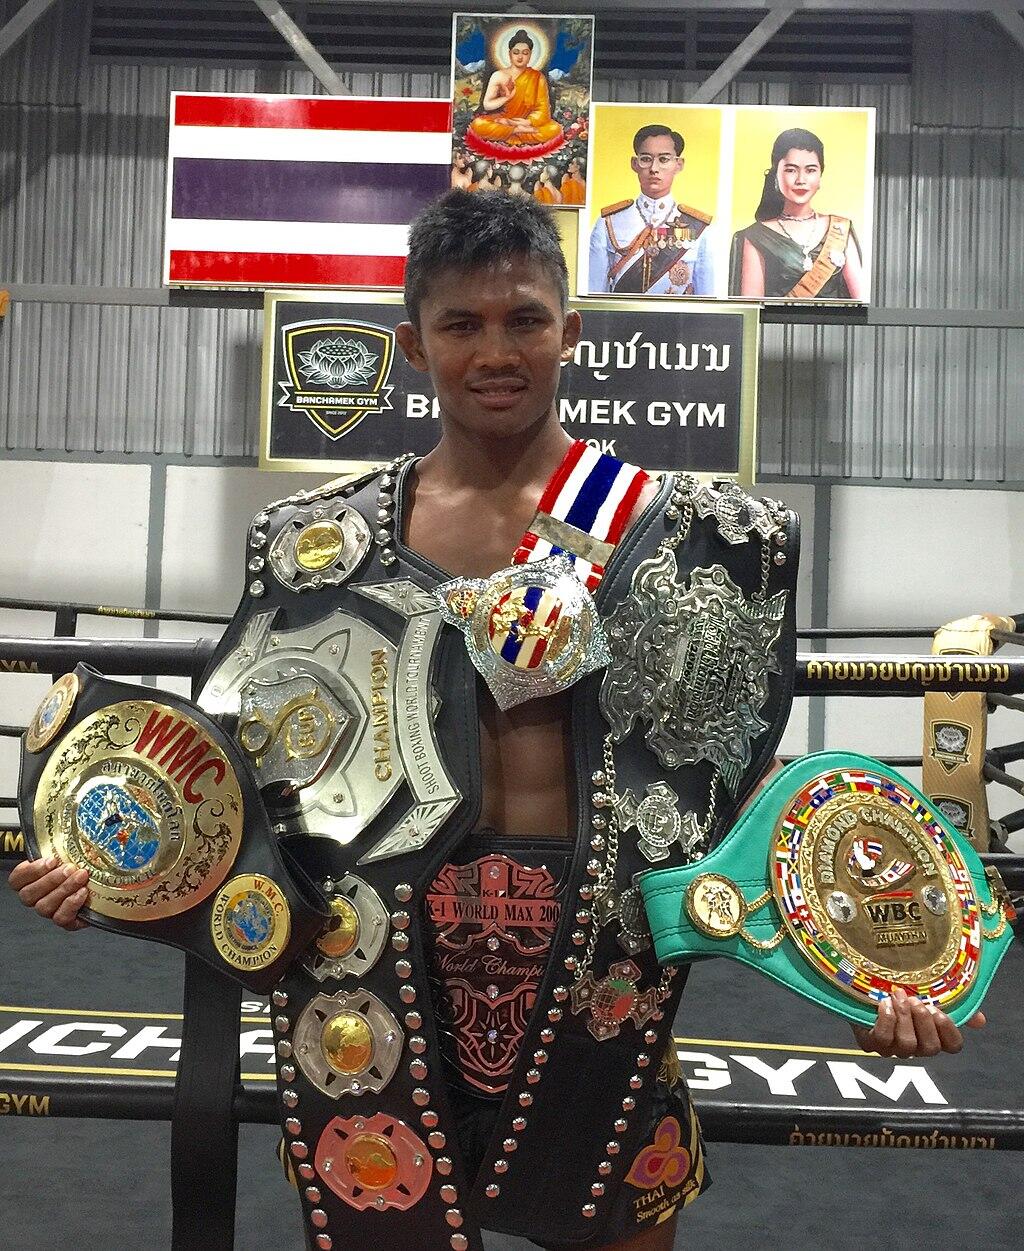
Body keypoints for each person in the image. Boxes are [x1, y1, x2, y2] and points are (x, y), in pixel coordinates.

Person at [11, 190, 981, 1251]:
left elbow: (741, 799)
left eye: (524, 319)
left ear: (572, 331)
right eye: (461, 324)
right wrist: (119, 877)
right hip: (370, 965)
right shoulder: (316, 543)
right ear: (412, 345)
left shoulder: (695, 536)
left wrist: (871, 977)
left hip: (603, 970)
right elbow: (238, 788)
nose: (496, 351)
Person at [729, 126, 866, 300]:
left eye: (810, 170)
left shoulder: (840, 229)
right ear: (776, 174)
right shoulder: (755, 236)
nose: (801, 180)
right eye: (791, 170)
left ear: (820, 175)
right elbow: (752, 306)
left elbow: (861, 301)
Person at [588, 124, 716, 296]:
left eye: (664, 159)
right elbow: (594, 292)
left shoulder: (699, 227)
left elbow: (707, 297)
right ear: (634, 164)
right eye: (646, 159)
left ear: (678, 165)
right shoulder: (608, 222)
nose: (654, 168)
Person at [468, 28, 563, 152]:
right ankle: (517, 131)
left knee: (554, 129)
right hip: (504, 119)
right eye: (516, 52)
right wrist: (506, 98)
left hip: (524, 123)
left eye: (525, 53)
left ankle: (511, 131)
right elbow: (487, 105)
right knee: (478, 124)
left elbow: (543, 109)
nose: (520, 57)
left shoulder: (538, 77)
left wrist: (527, 122)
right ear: (509, 53)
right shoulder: (499, 75)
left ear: (530, 55)